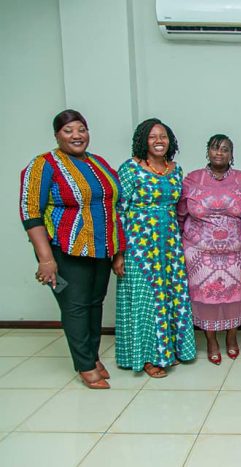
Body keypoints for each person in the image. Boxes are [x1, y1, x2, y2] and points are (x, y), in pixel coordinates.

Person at [19, 109, 125, 389]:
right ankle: (85, 365)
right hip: (65, 250)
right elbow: (30, 212)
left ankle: (92, 356)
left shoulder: (98, 162)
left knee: (94, 303)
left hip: (100, 249)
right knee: (75, 306)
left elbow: (114, 206)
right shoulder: (44, 164)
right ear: (57, 135)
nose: (77, 135)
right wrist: (45, 259)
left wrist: (118, 250)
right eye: (68, 131)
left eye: (81, 129)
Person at [114, 118, 196, 378]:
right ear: (143, 141)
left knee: (172, 296)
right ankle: (149, 357)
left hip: (169, 244)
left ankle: (171, 350)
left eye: (163, 136)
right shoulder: (130, 168)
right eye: (152, 136)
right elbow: (118, 211)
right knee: (147, 300)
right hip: (139, 246)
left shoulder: (175, 170)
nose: (159, 141)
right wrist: (119, 252)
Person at [177, 134, 241, 365]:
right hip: (199, 253)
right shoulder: (192, 180)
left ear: (232, 154)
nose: (219, 153)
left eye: (225, 149)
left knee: (234, 297)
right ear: (208, 151)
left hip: (234, 253)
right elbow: (180, 215)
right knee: (204, 298)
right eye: (215, 148)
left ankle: (231, 336)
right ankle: (211, 340)